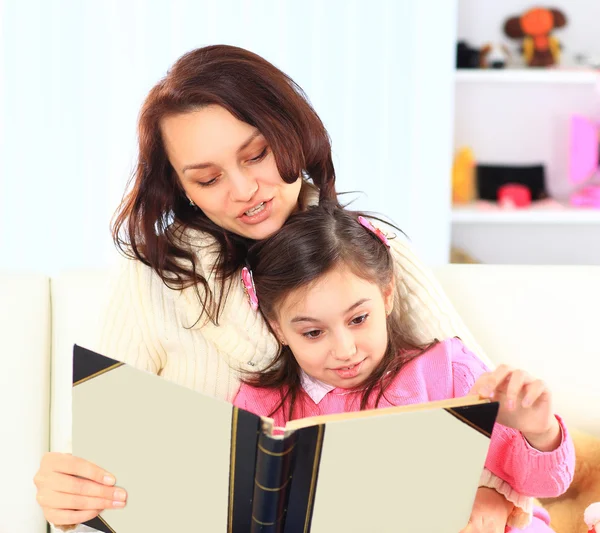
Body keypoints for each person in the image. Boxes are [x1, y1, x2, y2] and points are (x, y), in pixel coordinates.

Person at [33, 45, 522, 531]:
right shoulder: (152, 275)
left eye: (257, 155)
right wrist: (70, 491)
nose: (244, 189)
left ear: (290, 133)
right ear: (182, 188)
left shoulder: (369, 248)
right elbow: (97, 455)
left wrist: (486, 491)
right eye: (208, 178)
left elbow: (484, 407)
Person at [233, 203, 576, 532]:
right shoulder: (261, 408)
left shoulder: (446, 371)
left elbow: (547, 484)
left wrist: (540, 433)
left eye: (358, 319)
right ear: (278, 329)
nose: (345, 350)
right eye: (313, 332)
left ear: (386, 295)